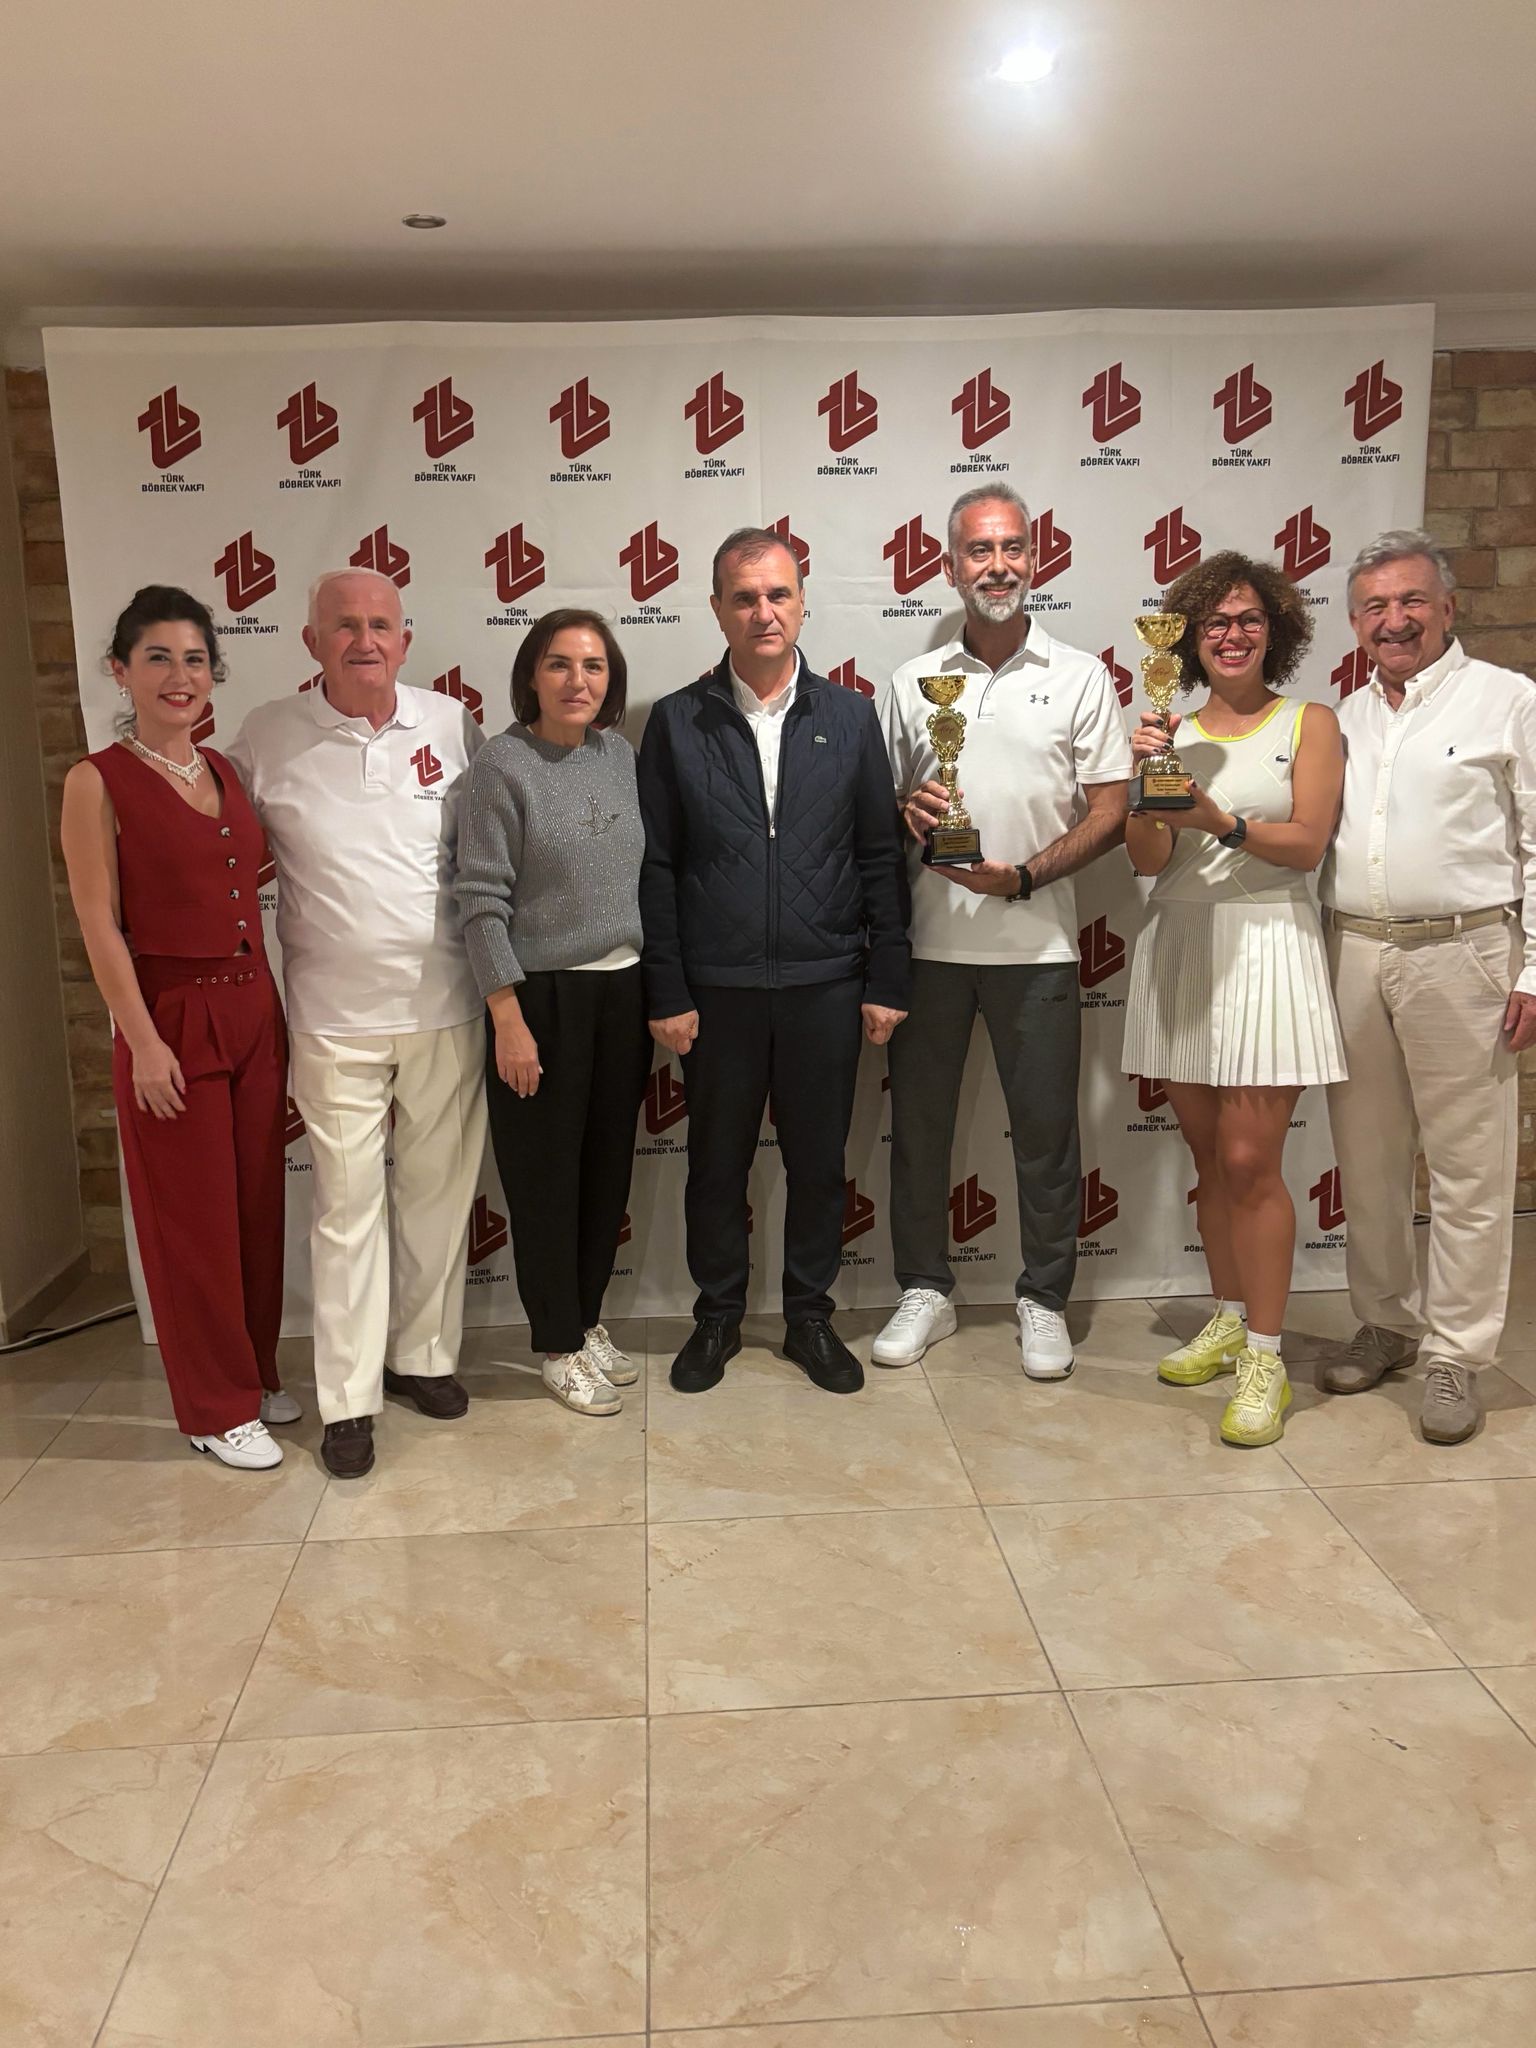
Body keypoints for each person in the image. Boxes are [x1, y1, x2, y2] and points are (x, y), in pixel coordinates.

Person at [225, 569, 486, 1479]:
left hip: (447, 1006)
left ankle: (422, 1359)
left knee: (438, 1198)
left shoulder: (452, 724)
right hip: (332, 1021)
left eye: (381, 625)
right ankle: (347, 1399)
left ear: (405, 640)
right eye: (344, 626)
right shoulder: (266, 735)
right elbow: (207, 833)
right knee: (345, 1211)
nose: (364, 641)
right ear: (312, 642)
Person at [638, 526, 910, 1395]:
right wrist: (667, 987)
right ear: (718, 609)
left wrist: (887, 975)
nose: (764, 611)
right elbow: (657, 866)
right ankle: (717, 1315)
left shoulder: (850, 717)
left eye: (778, 594)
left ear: (801, 603)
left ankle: (809, 1318)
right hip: (714, 989)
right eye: (745, 597)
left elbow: (879, 855)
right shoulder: (676, 721)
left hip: (825, 983)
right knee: (715, 1164)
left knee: (820, 1164)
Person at [874, 485, 1130, 1379]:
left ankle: (1044, 1298)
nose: (997, 565)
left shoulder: (1082, 676)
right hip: (928, 952)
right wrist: (907, 812)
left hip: (1040, 950)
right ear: (949, 567)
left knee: (1049, 1135)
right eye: (979, 551)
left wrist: (1022, 877)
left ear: (1035, 559)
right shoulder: (911, 683)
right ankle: (925, 1289)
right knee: (918, 1135)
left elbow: (1112, 810)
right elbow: (881, 812)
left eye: (1012, 547)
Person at [60, 586, 292, 1469]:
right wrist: (143, 1041)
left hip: (252, 1008)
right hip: (170, 1017)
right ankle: (213, 1406)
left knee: (254, 1210)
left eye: (194, 659)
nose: (178, 675)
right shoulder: (97, 780)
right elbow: (97, 921)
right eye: (157, 657)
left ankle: (255, 1374)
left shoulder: (223, 769)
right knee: (191, 1222)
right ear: (120, 671)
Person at [1122, 549, 1345, 1447]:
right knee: (1212, 1160)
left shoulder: (1309, 722)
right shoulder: (1168, 729)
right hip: (1180, 943)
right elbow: (1147, 858)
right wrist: (1145, 787)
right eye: (1215, 621)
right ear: (1188, 638)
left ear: (1275, 629)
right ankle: (1227, 1315)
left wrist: (1220, 820)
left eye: (1249, 618)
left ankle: (1266, 1355)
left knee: (1253, 1162)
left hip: (1268, 947)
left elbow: (1308, 844)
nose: (1232, 634)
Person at [1320, 529, 1536, 1444]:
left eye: (1411, 601)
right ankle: (1386, 1323)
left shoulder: (1508, 701)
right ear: (1355, 623)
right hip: (1355, 953)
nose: (1394, 620)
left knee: (1468, 1170)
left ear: (1448, 607)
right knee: (1367, 1161)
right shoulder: (1343, 717)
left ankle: (1456, 1354)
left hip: (1466, 954)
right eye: (1375, 606)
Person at [456, 611, 650, 1417]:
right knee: (544, 1180)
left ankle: (587, 1317)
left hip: (623, 992)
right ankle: (556, 1344)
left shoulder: (619, 756)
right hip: (540, 998)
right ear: (531, 675)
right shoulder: (500, 767)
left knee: (605, 1173)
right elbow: (479, 900)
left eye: (594, 666)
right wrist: (507, 1015)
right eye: (560, 664)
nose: (578, 681)